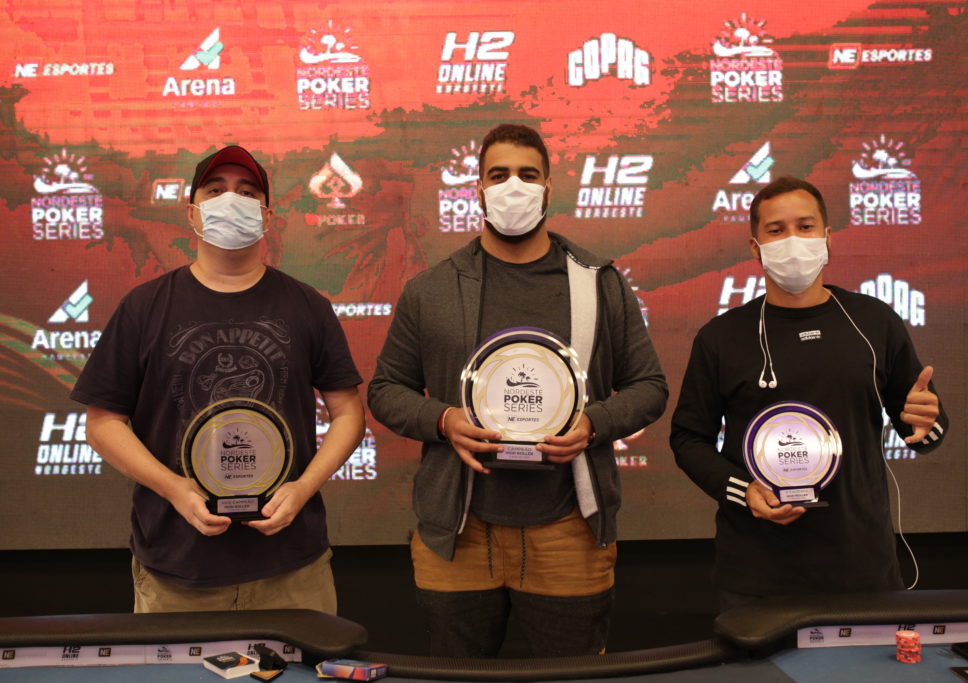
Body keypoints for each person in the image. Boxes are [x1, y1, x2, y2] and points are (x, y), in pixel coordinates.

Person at [368, 124, 667, 657]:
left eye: (528, 175)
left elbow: (649, 386)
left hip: (569, 531)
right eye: (498, 174)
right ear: (478, 189)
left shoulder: (599, 282)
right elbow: (387, 389)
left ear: (548, 188)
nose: (514, 187)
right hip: (458, 532)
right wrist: (444, 421)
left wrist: (593, 424)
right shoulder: (431, 289)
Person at [71, 145, 365, 614]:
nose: (232, 199)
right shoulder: (144, 307)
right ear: (192, 211)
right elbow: (103, 423)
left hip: (292, 568)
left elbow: (348, 413)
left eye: (247, 192)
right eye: (215, 190)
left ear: (267, 215)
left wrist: (303, 487)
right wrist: (174, 488)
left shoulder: (308, 306)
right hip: (178, 569)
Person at [670, 176, 948, 612]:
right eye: (776, 230)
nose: (793, 241)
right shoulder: (721, 337)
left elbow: (924, 432)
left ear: (827, 237)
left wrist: (927, 422)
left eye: (805, 226)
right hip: (757, 572)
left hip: (862, 565)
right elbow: (688, 438)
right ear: (755, 247)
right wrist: (743, 490)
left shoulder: (873, 321)